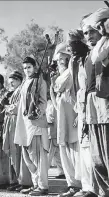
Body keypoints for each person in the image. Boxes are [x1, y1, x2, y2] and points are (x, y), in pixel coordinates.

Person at [81, 10, 109, 197]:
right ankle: (102, 191)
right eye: (85, 33)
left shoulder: (106, 44)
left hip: (105, 103)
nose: (89, 36)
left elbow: (101, 56)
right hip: (91, 105)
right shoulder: (88, 55)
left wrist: (106, 34)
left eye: (92, 30)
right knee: (96, 153)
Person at [50, 43, 82, 197]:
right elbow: (56, 103)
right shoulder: (59, 76)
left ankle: (82, 185)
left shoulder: (72, 72)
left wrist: (78, 114)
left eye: (62, 58)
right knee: (65, 150)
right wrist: (52, 86)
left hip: (74, 117)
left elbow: (71, 90)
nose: (59, 62)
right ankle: (72, 185)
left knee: (76, 150)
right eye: (58, 59)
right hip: (62, 119)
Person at [14, 57, 49, 196]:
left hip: (36, 123)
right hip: (24, 123)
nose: (27, 70)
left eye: (29, 67)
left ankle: (43, 186)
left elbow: (43, 102)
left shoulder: (40, 81)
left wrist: (36, 113)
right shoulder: (24, 83)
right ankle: (35, 184)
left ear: (34, 67)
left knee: (37, 156)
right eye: (24, 68)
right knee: (27, 156)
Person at [67, 29, 95, 197]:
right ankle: (86, 186)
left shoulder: (90, 57)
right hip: (81, 107)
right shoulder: (75, 61)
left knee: (91, 148)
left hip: (91, 106)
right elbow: (74, 87)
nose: (71, 49)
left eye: (74, 44)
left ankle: (93, 187)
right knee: (83, 147)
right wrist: (77, 109)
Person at [2, 71, 33, 192]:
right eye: (10, 81)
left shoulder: (21, 90)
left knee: (19, 153)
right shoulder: (13, 92)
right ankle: (17, 180)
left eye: (14, 80)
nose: (11, 83)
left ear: (19, 80)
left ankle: (25, 182)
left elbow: (17, 108)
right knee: (13, 154)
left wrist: (6, 106)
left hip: (18, 124)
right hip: (11, 125)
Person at [46, 97, 65, 179]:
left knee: (48, 154)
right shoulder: (53, 103)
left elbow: (50, 119)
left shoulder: (51, 104)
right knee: (57, 154)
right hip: (54, 132)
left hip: (51, 132)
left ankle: (43, 172)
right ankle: (62, 171)